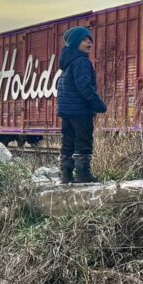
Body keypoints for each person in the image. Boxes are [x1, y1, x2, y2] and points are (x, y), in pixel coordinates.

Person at [57, 26, 107, 184]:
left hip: (66, 111)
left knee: (68, 142)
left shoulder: (67, 63)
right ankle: (82, 173)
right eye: (84, 40)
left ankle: (66, 174)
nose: (89, 43)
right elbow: (84, 85)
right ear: (74, 43)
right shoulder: (81, 61)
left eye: (90, 40)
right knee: (83, 140)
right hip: (80, 110)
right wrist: (97, 103)